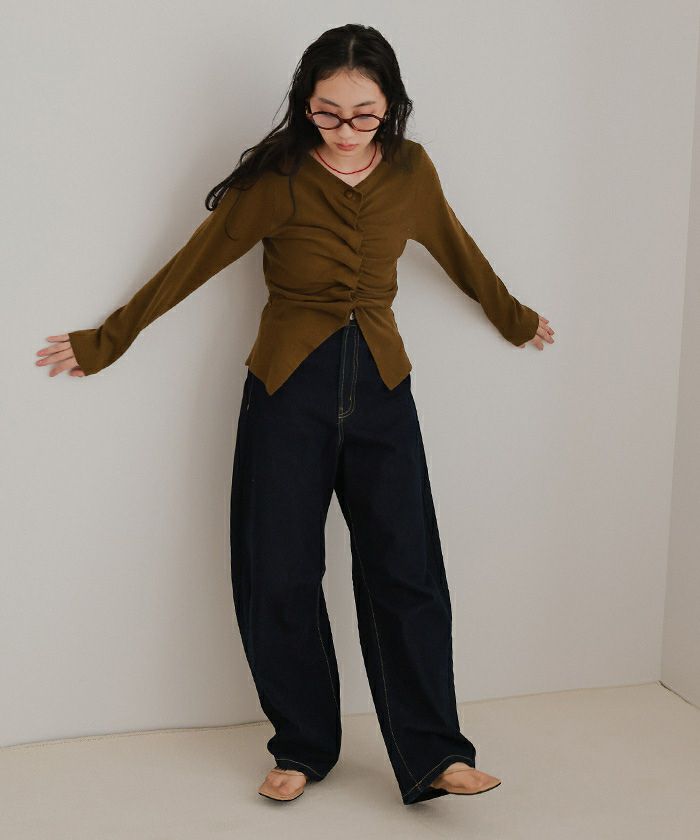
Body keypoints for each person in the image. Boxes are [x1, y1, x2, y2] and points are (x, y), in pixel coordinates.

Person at [35, 23, 554, 805]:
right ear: (304, 103)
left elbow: (458, 249)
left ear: (393, 106)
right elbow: (194, 261)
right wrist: (105, 340)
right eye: (327, 112)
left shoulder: (411, 171)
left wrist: (514, 318)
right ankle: (304, 746)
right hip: (286, 393)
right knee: (277, 572)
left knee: (407, 572)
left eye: (364, 114)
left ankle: (434, 753)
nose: (345, 131)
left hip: (383, 389)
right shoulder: (277, 178)